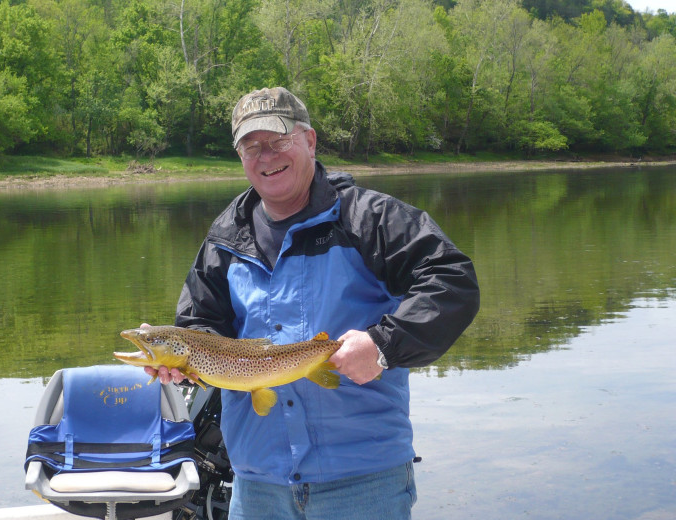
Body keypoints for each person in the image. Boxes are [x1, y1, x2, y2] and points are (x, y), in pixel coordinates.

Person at [145, 86, 480, 519]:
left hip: (364, 480)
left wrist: (384, 345)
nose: (265, 156)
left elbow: (452, 282)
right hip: (257, 483)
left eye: (278, 140)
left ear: (309, 140)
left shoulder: (370, 219)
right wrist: (186, 362)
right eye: (251, 146)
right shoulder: (224, 240)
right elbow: (200, 325)